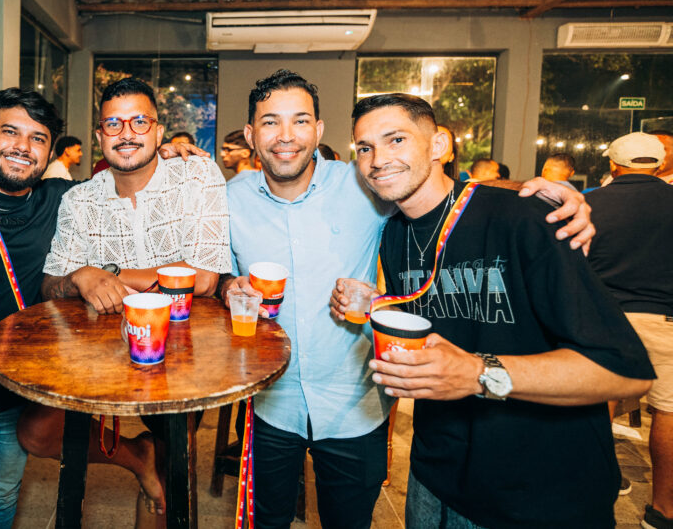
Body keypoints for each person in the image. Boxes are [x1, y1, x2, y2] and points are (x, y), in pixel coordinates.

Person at [219, 71, 595, 529]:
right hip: (270, 404)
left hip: (355, 405)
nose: (285, 135)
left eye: (299, 121)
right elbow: (207, 269)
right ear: (251, 135)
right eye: (270, 122)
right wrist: (227, 286)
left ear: (318, 130)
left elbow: (438, 193)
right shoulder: (227, 200)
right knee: (266, 521)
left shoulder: (362, 183)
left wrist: (542, 193)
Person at [342, 92, 654, 528]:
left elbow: (625, 371)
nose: (378, 160)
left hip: (541, 492)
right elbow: (448, 319)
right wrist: (376, 305)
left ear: (438, 145)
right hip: (435, 477)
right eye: (365, 148)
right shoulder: (394, 234)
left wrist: (478, 373)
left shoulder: (525, 217)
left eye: (396, 140)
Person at [25, 77, 231, 514]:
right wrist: (80, 277)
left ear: (159, 131)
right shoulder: (80, 200)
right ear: (99, 136)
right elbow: (51, 285)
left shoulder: (196, 175)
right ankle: (137, 458)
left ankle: (157, 480)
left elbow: (203, 279)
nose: (127, 133)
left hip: (179, 351)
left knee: (174, 470)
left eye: (140, 121)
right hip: (98, 352)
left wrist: (113, 274)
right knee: (36, 433)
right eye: (113, 124)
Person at [585, 131, 673, 529]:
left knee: (599, 403)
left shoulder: (590, 203)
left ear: (613, 165)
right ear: (659, 164)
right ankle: (663, 510)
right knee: (669, 411)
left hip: (606, 319)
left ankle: (600, 484)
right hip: (666, 320)